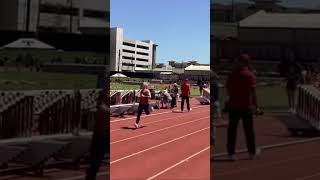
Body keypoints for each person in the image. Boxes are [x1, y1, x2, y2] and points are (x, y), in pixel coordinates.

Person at [226, 54, 260, 161]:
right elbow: (253, 93)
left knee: (232, 130)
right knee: (249, 131)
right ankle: (252, 153)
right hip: (246, 106)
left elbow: (228, 90)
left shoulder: (232, 75)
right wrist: (257, 106)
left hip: (234, 106)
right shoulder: (250, 75)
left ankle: (231, 154)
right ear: (247, 63)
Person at [86, 90, 108, 180]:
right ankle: (91, 175)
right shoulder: (103, 109)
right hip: (101, 136)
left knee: (95, 159)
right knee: (97, 159)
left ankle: (90, 175)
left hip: (98, 135)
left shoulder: (99, 108)